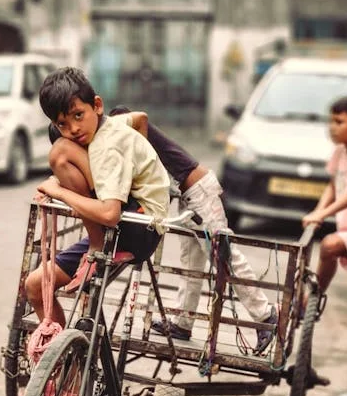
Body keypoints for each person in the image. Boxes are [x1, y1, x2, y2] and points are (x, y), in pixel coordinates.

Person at [95, 106, 278, 355]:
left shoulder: (132, 132)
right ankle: (183, 322)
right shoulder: (125, 138)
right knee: (190, 262)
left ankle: (265, 315)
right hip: (185, 195)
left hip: (199, 192)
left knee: (224, 257)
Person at [25, 67, 170, 330]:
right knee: (34, 286)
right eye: (62, 124)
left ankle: (96, 246)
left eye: (78, 115)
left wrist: (59, 191)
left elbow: (109, 214)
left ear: (98, 106)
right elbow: (141, 118)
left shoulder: (107, 146)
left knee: (60, 152)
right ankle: (66, 363)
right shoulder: (107, 126)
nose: (74, 129)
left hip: (137, 224)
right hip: (125, 225)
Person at [302, 95, 347, 307]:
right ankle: (311, 301)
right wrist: (317, 212)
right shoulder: (340, 151)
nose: (332, 127)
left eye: (339, 122)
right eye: (331, 121)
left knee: (329, 245)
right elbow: (333, 186)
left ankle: (311, 300)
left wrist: (322, 214)